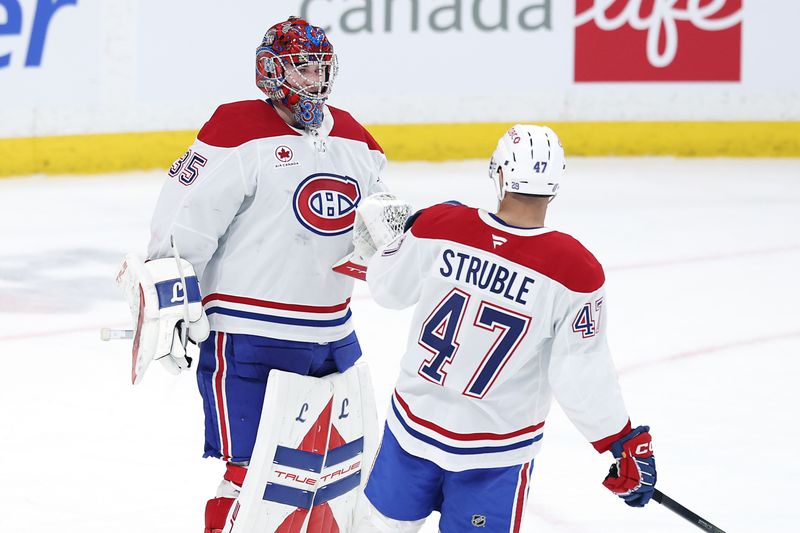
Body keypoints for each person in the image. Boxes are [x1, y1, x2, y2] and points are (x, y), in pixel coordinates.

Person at [139, 16, 388, 533]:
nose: (314, 83)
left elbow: (373, 228)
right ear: (271, 72)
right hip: (249, 334)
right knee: (249, 475)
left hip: (334, 334)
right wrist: (170, 297)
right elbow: (185, 218)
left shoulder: (359, 142)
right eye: (301, 70)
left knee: (334, 473)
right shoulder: (236, 129)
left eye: (321, 70)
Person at [356, 125, 657, 532]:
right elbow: (579, 372)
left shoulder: (442, 226)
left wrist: (405, 237)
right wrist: (618, 440)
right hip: (495, 454)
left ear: (498, 173)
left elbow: (388, 289)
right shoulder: (574, 270)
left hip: (411, 431)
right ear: (555, 185)